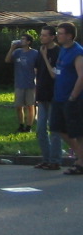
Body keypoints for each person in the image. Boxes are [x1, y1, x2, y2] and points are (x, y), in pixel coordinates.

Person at [50, 22, 83, 175]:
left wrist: (73, 96)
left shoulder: (78, 52)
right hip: (59, 97)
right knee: (58, 128)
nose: (58, 35)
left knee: (77, 132)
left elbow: (81, 76)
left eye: (61, 33)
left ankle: (80, 162)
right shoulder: (63, 49)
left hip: (73, 99)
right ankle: (80, 157)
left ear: (69, 35)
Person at [34, 26, 63, 170]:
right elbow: (38, 72)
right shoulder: (40, 51)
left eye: (45, 35)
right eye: (41, 35)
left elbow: (54, 75)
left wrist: (45, 57)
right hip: (42, 94)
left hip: (54, 95)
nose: (42, 37)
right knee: (40, 129)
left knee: (54, 129)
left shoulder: (58, 52)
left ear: (52, 37)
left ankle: (55, 160)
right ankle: (46, 158)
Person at [5, 33, 39, 132]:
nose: (21, 41)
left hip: (30, 84)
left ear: (28, 42)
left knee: (30, 106)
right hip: (19, 83)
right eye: (21, 39)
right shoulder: (17, 52)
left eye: (23, 39)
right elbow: (7, 60)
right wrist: (12, 48)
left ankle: (29, 126)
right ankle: (21, 125)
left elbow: (38, 67)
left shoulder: (35, 53)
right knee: (18, 106)